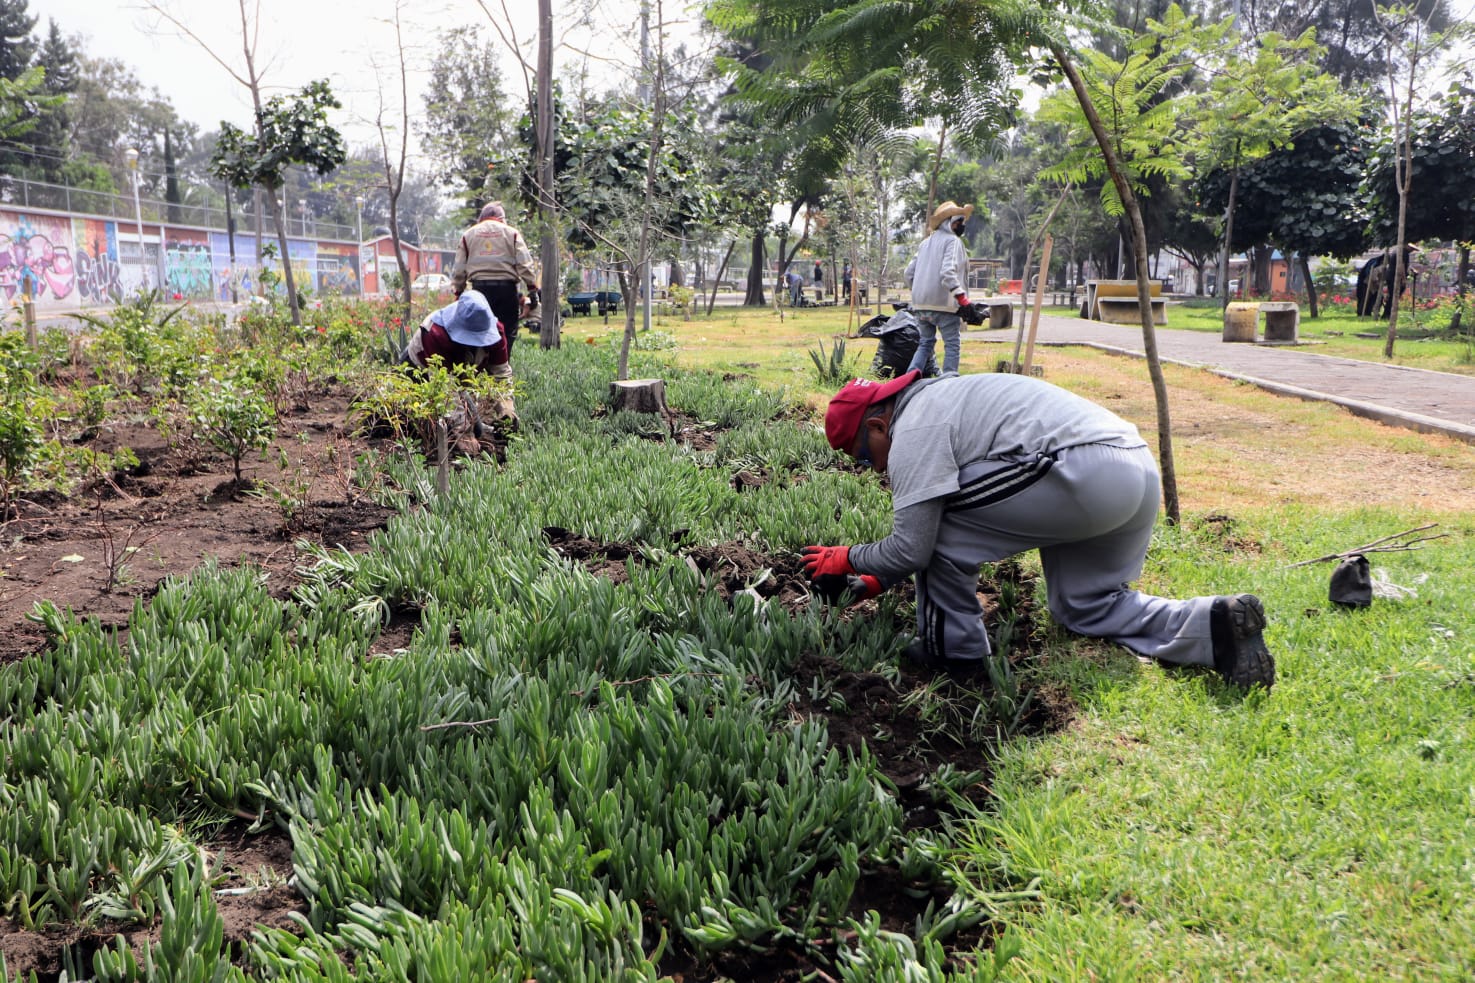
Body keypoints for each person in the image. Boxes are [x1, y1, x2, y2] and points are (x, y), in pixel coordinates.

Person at [801, 370, 1275, 689]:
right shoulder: (945, 396)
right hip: (1133, 469)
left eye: (864, 457)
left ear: (880, 426)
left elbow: (915, 545)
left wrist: (851, 558)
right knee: (1085, 605)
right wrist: (881, 576)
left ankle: (952, 652)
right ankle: (1211, 626)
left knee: (938, 519)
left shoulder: (914, 427)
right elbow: (922, 543)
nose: (873, 468)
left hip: (1083, 471)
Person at [451, 201, 538, 358]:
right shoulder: (512, 234)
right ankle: (503, 370)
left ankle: (481, 372)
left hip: (479, 293)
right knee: (506, 335)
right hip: (507, 293)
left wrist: (458, 292)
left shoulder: (468, 235)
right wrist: (532, 289)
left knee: (479, 335)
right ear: (501, 217)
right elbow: (525, 265)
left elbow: (459, 269)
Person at [904, 201, 973, 376]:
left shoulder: (925, 243)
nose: (961, 226)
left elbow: (908, 273)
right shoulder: (953, 241)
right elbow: (947, 272)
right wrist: (962, 298)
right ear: (950, 222)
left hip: (920, 306)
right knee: (952, 343)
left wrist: (920, 291)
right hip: (943, 306)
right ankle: (949, 381)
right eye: (959, 222)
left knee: (925, 343)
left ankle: (909, 379)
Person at [400, 286, 511, 385]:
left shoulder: (497, 333)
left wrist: (507, 407)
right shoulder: (435, 333)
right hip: (419, 369)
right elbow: (446, 391)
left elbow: (502, 376)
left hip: (462, 367)